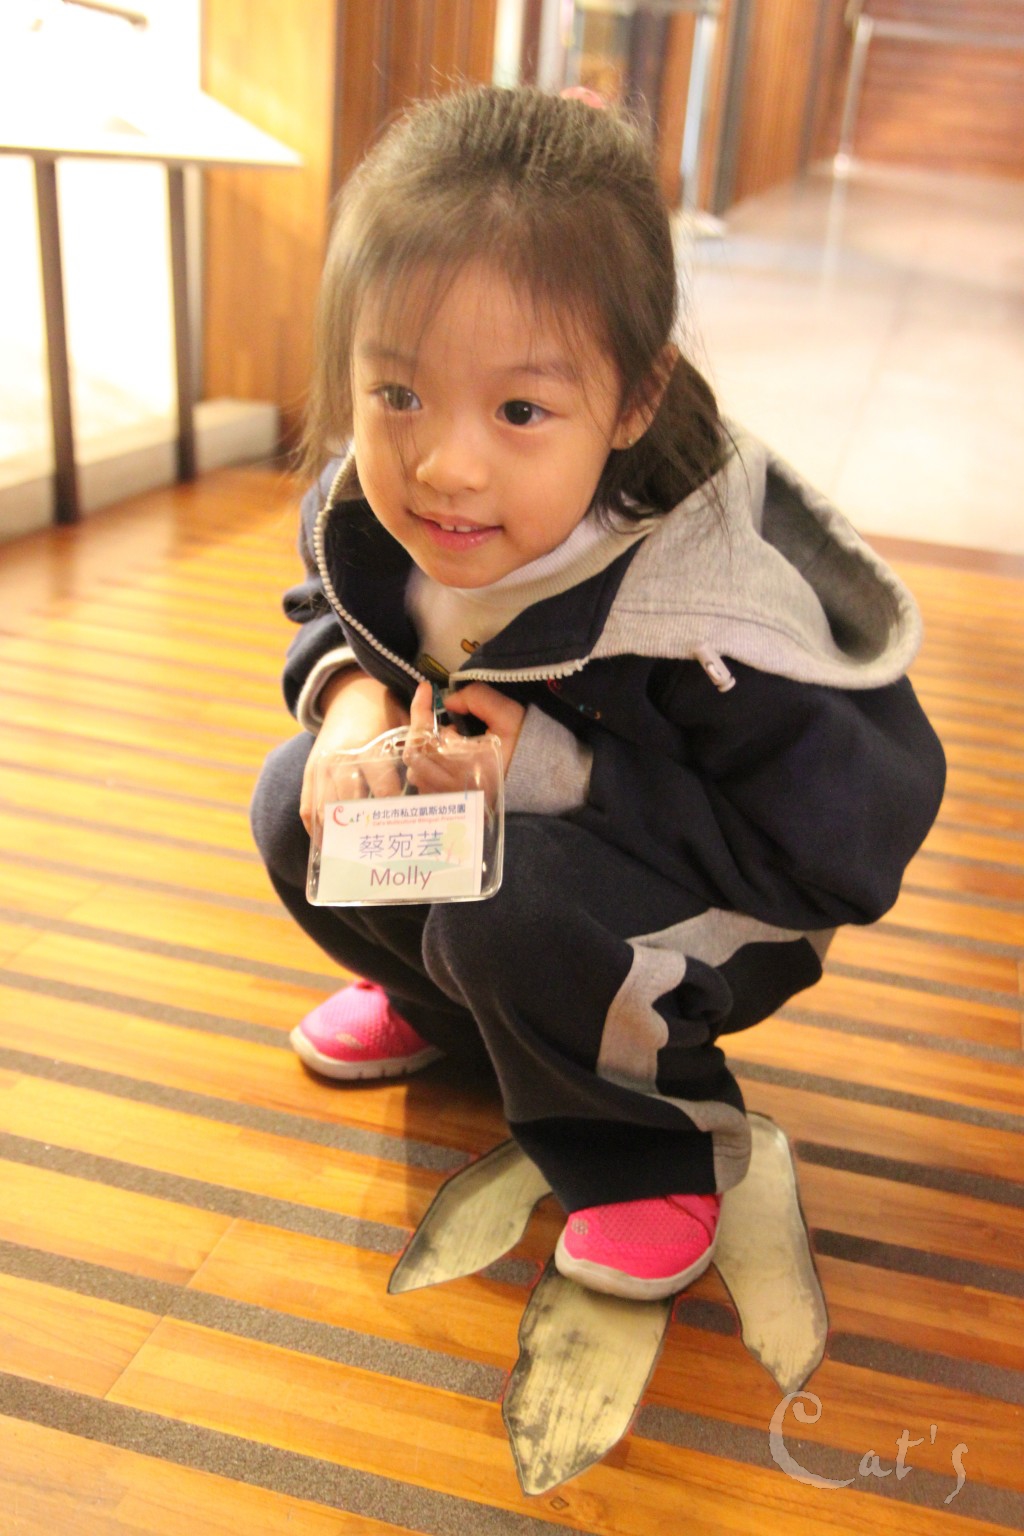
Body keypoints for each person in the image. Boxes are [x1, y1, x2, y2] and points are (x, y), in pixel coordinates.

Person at [250, 85, 945, 1303]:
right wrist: (355, 701)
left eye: (520, 410)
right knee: (291, 806)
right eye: (398, 394)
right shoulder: (376, 502)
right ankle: (453, 1014)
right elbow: (333, 601)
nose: (445, 466)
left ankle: (648, 1144)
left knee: (507, 909)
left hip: (730, 894)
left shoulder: (711, 611)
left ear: (632, 399)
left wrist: (557, 775)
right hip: (513, 846)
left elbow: (836, 852)